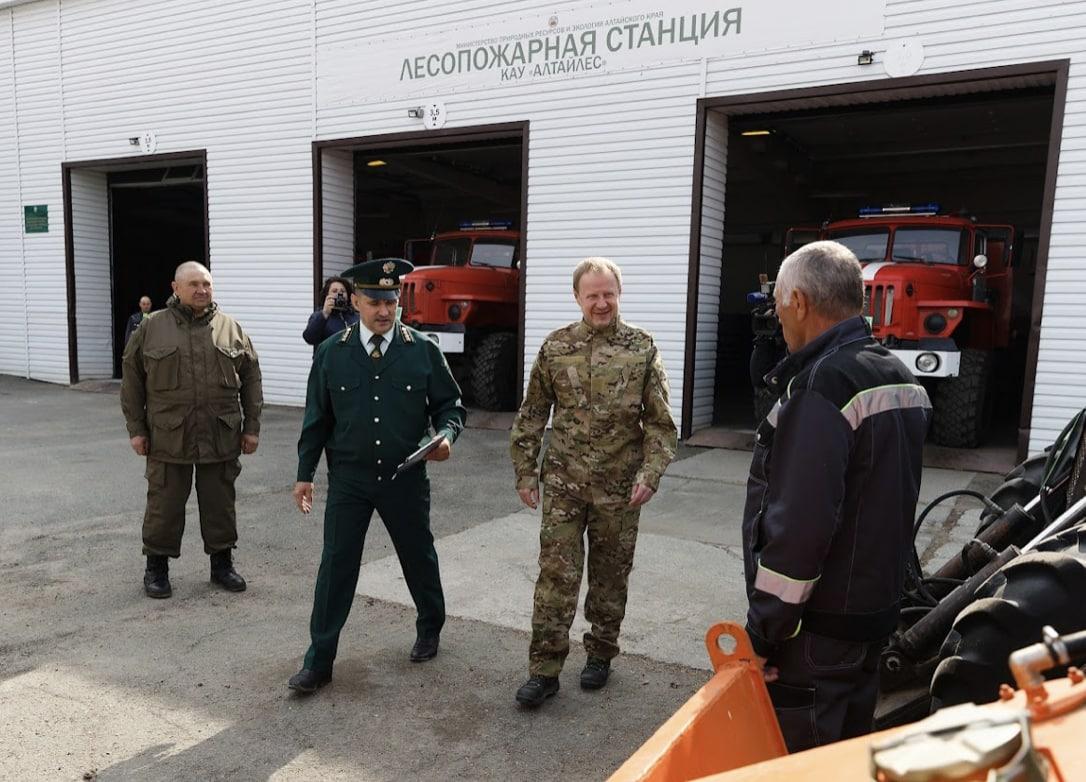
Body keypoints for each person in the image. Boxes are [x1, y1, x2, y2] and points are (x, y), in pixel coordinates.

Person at [742, 241, 930, 752]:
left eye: (777, 301)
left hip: (816, 633)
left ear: (798, 301)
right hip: (873, 615)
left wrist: (763, 633)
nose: (776, 314)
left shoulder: (822, 385)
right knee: (850, 751)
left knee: (807, 758)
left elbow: (800, 530)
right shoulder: (897, 375)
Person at [288, 257, 466, 694]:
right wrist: (305, 473)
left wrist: (445, 436)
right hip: (349, 479)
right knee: (336, 564)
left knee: (417, 555)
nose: (384, 311)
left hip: (405, 477)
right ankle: (320, 659)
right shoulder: (333, 353)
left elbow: (451, 408)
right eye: (374, 301)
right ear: (355, 300)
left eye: (391, 301)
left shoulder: (422, 349)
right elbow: (317, 419)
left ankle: (429, 626)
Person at [510, 257, 677, 708]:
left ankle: (600, 654)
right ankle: (543, 671)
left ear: (618, 294)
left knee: (609, 577)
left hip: (620, 490)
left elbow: (661, 425)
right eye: (592, 295)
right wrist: (526, 470)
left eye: (608, 294)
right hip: (564, 484)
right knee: (555, 577)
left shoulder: (641, 347)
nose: (601, 303)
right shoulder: (556, 347)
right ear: (578, 297)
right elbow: (531, 415)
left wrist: (650, 473)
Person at [121, 261, 262, 599]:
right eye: (194, 284)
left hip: (220, 432)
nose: (202, 290)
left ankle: (222, 565)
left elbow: (252, 379)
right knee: (164, 504)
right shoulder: (152, 327)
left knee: (220, 502)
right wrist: (136, 430)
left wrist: (252, 427)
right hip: (168, 434)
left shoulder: (231, 329)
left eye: (207, 284)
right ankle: (156, 569)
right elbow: (131, 381)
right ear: (176, 287)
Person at [303, 276, 360, 345]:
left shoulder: (355, 316)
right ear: (326, 295)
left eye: (343, 291)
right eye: (334, 291)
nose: (339, 294)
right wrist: (324, 314)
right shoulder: (320, 316)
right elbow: (309, 338)